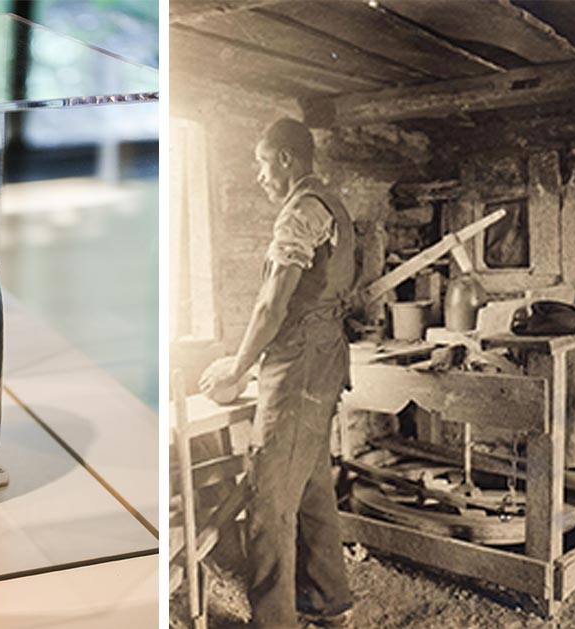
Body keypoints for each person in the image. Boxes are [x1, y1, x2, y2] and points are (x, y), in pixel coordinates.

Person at [200, 117, 356, 628]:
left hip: (300, 364)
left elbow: (272, 305)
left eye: (264, 164)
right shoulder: (330, 202)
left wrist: (237, 368)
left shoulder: (299, 214)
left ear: (286, 159)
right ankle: (330, 602)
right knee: (309, 485)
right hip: (324, 356)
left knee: (269, 501)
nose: (260, 176)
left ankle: (275, 622)